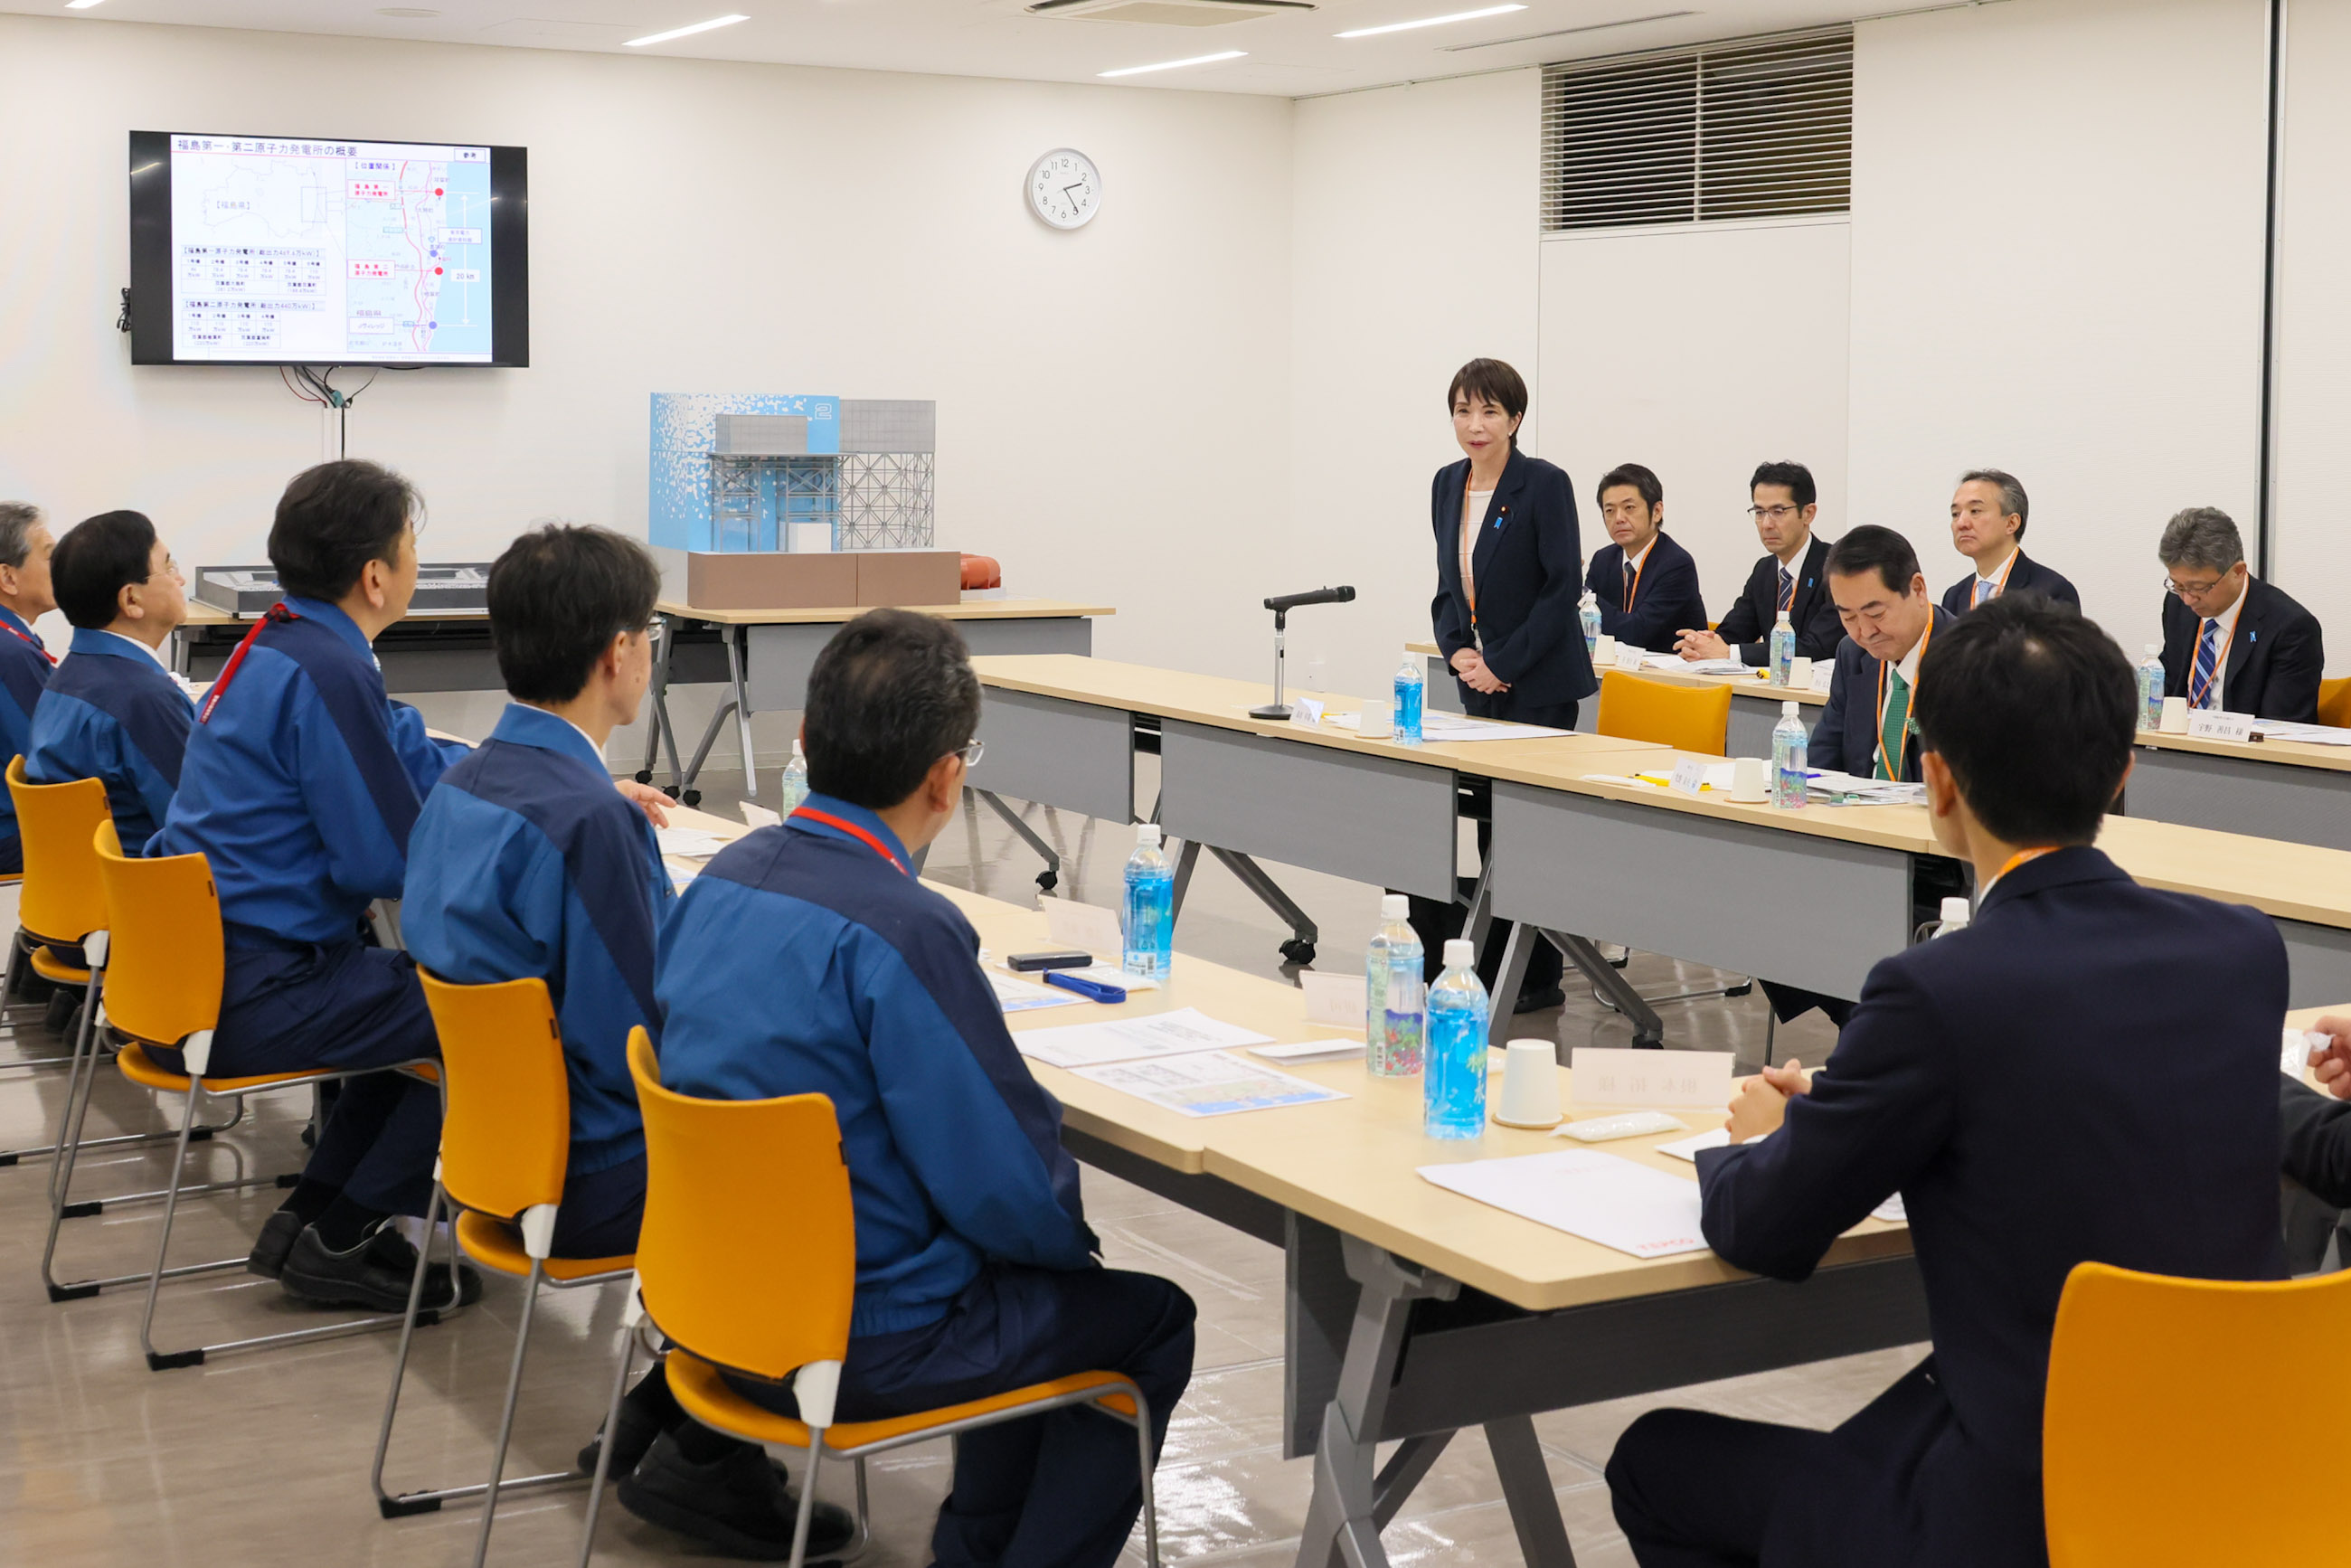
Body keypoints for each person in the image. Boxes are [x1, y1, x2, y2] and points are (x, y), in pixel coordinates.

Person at [1606, 593, 2289, 1568]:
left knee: (1655, 1461)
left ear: (1934, 781)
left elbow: (1763, 1230)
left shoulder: (1937, 990)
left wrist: (1755, 1141)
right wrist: (1854, 1111)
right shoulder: (2241, 948)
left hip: (2025, 1510)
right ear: (2123, 775)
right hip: (2229, 1477)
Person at [656, 609, 1196, 1568]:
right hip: (859, 1344)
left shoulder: (720, 881)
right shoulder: (904, 928)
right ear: (947, 778)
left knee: (1023, 1277)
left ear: (802, 743)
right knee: (1143, 1317)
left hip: (711, 1316)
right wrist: (1069, 1242)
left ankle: (973, 1547)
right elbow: (1005, 1184)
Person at [401, 523, 849, 1561]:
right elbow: (651, 1038)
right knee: (823, 1169)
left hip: (491, 1154)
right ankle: (709, 1457)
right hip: (596, 1168)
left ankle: (660, 1410)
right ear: (620, 653)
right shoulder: (586, 825)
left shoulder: (464, 783)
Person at [153, 460, 481, 1311]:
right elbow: (385, 862)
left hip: (194, 977)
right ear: (377, 575)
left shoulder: (278, 643)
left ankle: (316, 1215)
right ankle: (350, 1231)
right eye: (413, 547)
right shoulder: (330, 671)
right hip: (262, 987)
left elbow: (401, 743)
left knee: (404, 1000)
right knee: (488, 1005)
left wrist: (511, 776)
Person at [1425, 358, 1588, 1010]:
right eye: (1464, 410)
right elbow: (1445, 583)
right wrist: (1459, 650)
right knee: (1491, 824)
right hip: (1478, 680)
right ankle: (1499, 961)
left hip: (1538, 680)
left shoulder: (1544, 484)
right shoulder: (1445, 484)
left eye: (1490, 411)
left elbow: (1561, 588)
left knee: (1527, 832)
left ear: (1515, 419)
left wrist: (1504, 662)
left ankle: (1538, 977)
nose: (1475, 424)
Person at [24, 510, 193, 855]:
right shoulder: (142, 699)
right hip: (148, 888)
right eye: (169, 566)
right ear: (131, 599)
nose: (180, 581)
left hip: (85, 885)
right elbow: (202, 822)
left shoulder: (70, 676)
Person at [1809, 525, 1957, 783]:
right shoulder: (1852, 654)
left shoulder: (1970, 659)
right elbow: (1821, 760)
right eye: (1849, 617)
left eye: (1876, 614)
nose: (1865, 632)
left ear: (1918, 589)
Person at [2156, 506, 2324, 722]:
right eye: (2178, 585)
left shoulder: (2291, 628)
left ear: (2238, 571)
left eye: (2199, 587)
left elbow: (2281, 728)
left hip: (2243, 752)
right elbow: (2169, 682)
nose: (2188, 599)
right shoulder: (2177, 605)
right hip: (2178, 749)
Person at [1673, 462, 1842, 667]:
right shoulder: (1765, 570)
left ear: (1808, 513)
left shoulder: (1836, 569)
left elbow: (1817, 647)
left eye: (1778, 511)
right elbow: (1734, 632)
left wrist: (1730, 653)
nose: (1767, 524)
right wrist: (1701, 644)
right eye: (1760, 512)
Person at [1584, 464, 1705, 656]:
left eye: (1629, 508)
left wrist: (1578, 592)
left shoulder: (1676, 564)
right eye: (1609, 511)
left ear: (1657, 511)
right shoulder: (1603, 559)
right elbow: (1584, 624)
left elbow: (1635, 633)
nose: (1619, 518)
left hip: (1668, 679)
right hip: (1614, 674)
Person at [0, 502, 60, 874]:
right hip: (12, 837)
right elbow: (49, 763)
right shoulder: (11, 655)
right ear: (8, 578)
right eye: (51, 557)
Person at [1939, 469, 2078, 615]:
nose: (1961, 523)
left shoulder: (2052, 591)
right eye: (1955, 514)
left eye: (1975, 511)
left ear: (2011, 523)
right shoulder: (1954, 596)